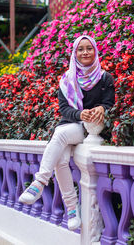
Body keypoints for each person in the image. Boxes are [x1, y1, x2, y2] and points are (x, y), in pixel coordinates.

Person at [18, 35, 115, 230]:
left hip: (91, 130)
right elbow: (64, 109)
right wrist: (80, 114)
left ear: (95, 51)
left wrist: (102, 110)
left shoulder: (105, 77)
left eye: (89, 48)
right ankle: (72, 209)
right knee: (61, 158)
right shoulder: (67, 80)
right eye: (81, 49)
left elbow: (109, 102)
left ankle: (40, 182)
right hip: (73, 122)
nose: (85, 52)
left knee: (59, 136)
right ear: (75, 53)